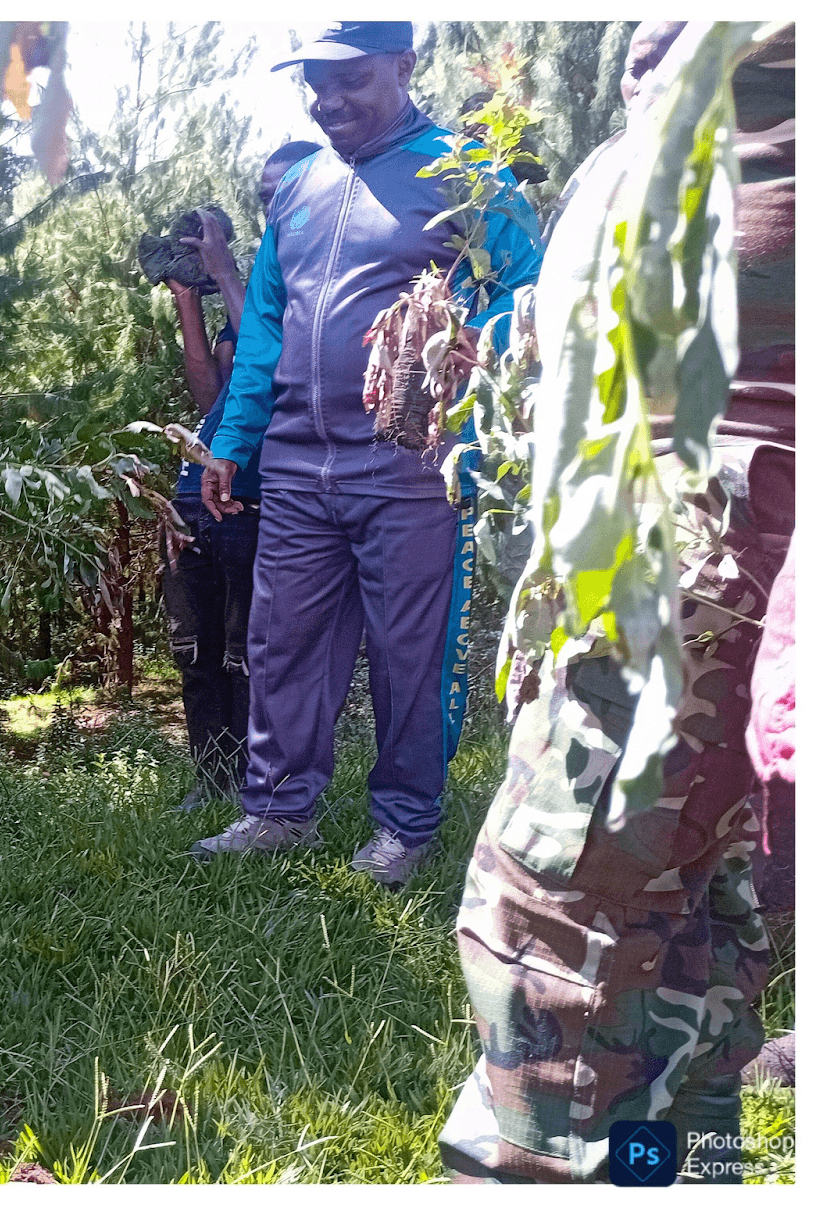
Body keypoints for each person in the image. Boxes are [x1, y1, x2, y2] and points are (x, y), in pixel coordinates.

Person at [437, 20, 795, 1183]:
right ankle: (669, 1165)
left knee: (552, 915)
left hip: (721, 550)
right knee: (681, 917)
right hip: (673, 542)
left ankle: (557, 1159)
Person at [190, 21, 543, 885]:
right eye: (315, 81)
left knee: (407, 648)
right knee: (283, 639)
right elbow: (266, 319)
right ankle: (277, 809)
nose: (329, 99)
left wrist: (476, 338)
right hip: (300, 460)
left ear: (403, 67)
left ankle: (406, 824)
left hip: (412, 460)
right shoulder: (301, 184)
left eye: (349, 79)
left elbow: (532, 295)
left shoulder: (465, 178)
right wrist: (234, 441)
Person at [161, 142, 318, 809]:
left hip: (262, 500)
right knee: (195, 647)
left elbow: (281, 360)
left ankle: (265, 784)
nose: (274, 204)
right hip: (200, 493)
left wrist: (228, 272)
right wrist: (188, 298)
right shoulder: (256, 284)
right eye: (264, 195)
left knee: (250, 650)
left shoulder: (310, 284)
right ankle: (210, 778)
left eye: (287, 189)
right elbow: (211, 400)